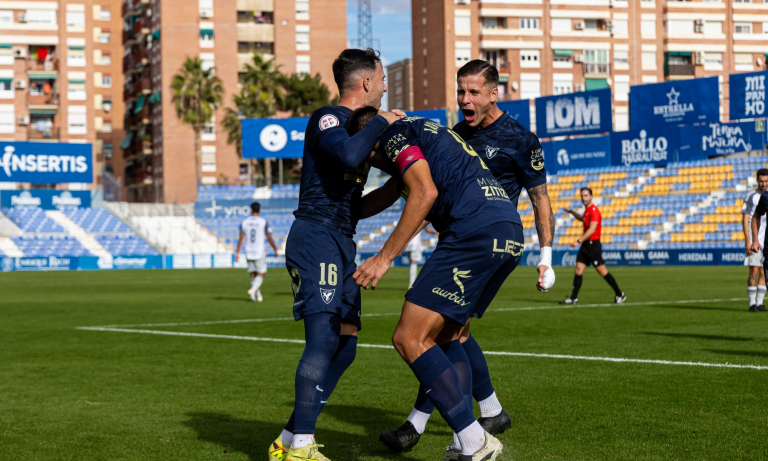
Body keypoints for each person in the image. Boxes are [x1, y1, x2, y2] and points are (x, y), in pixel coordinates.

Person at [378, 60, 555, 456]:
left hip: (484, 243)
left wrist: (547, 256)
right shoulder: (456, 135)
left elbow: (541, 200)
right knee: (451, 333)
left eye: (474, 92)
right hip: (461, 238)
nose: (465, 100)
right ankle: (488, 412)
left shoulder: (520, 139)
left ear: (495, 93)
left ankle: (425, 424)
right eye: (461, 92)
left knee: (431, 335)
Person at [347, 109, 527, 461]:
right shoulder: (423, 135)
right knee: (447, 337)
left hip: (473, 231)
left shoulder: (395, 134)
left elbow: (424, 193)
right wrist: (335, 212)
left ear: (370, 141)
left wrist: (383, 258)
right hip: (508, 232)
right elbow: (385, 195)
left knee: (408, 336)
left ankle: (475, 440)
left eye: (362, 155)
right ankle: (467, 438)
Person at [268, 48, 402, 461]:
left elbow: (356, 205)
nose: (383, 86)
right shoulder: (328, 119)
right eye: (380, 79)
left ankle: (290, 437)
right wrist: (383, 121)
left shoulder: (363, 129)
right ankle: (303, 447)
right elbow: (346, 154)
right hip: (316, 237)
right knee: (323, 338)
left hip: (343, 238)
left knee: (346, 346)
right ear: (365, 83)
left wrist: (402, 185)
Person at [560, 188, 625, 305]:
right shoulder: (587, 211)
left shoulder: (594, 210)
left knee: (603, 272)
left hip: (592, 245)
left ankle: (620, 294)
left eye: (585, 195)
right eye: (582, 196)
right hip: (586, 245)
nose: (583, 198)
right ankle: (573, 298)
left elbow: (592, 229)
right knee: (578, 270)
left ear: (591, 196)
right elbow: (582, 218)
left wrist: (578, 241)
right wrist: (571, 211)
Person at [234, 202, 278, 302]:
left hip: (248, 250)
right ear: (260, 210)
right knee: (261, 273)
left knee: (253, 274)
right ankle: (253, 290)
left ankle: (256, 295)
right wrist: (275, 249)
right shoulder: (263, 221)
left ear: (251, 210)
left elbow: (241, 238)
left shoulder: (245, 221)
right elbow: (269, 237)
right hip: (259, 251)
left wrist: (237, 252)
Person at [742, 169, 768, 313]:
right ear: (757, 180)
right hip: (754, 240)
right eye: (761, 181)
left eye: (766, 181)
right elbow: (746, 219)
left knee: (765, 272)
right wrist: (748, 240)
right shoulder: (751, 196)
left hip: (766, 240)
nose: (763, 184)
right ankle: (752, 303)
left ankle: (760, 302)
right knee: (754, 270)